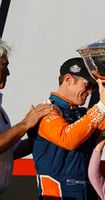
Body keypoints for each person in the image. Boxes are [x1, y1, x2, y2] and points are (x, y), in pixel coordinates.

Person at [28, 57, 105, 200]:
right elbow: (68, 139)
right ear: (68, 79)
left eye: (93, 87)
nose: (91, 91)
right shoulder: (45, 111)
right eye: (87, 84)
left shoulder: (85, 115)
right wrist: (102, 107)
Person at [0, 39, 54, 194]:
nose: (8, 73)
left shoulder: (1, 111)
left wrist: (44, 134)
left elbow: (11, 151)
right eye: (5, 65)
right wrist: (26, 123)